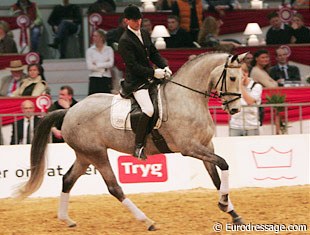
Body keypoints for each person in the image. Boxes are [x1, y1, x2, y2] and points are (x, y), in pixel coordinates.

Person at [118, 4, 172, 160]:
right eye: (134, 21)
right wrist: (154, 72)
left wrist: (164, 66)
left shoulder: (144, 33)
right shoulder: (125, 41)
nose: (138, 23)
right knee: (148, 109)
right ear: (127, 21)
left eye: (139, 19)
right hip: (136, 82)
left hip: (150, 78)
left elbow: (154, 53)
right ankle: (139, 146)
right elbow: (133, 66)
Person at [229, 63, 263, 136]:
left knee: (253, 147)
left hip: (252, 126)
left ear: (246, 73)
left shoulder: (256, 86)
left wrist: (240, 86)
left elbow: (250, 101)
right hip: (235, 125)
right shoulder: (232, 87)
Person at [86, 29, 114, 95]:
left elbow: (110, 63)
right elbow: (90, 66)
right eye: (93, 36)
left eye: (96, 36)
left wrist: (97, 64)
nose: (93, 38)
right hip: (94, 77)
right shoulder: (90, 50)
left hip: (106, 77)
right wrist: (104, 67)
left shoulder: (109, 49)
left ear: (101, 37)